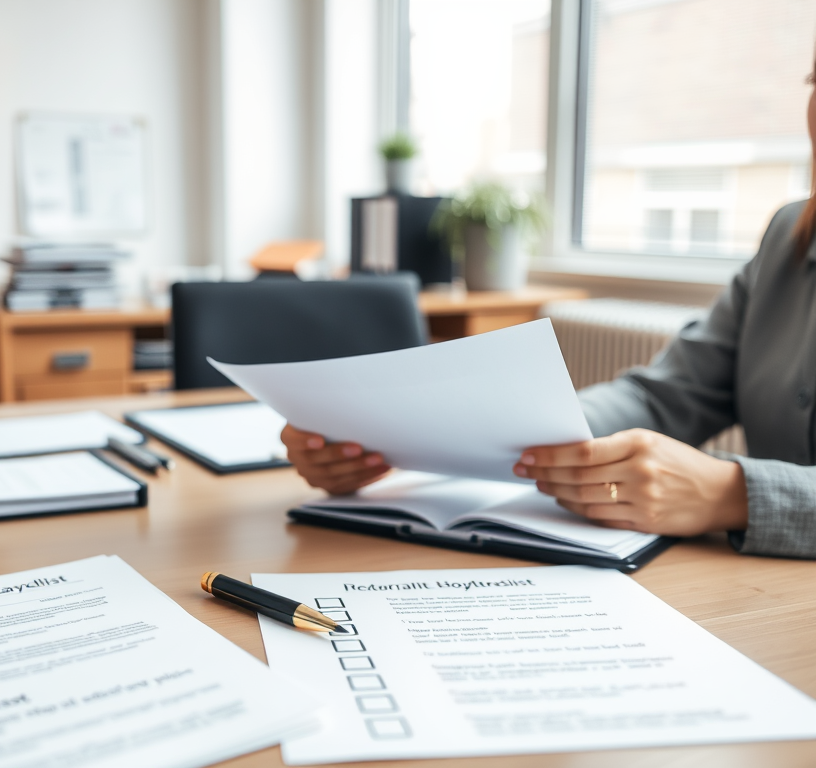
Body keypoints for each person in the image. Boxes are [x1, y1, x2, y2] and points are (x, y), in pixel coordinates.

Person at [281, 55, 816, 559]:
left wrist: (735, 494)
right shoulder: (787, 238)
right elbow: (663, 398)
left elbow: (721, 479)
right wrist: (415, 433)